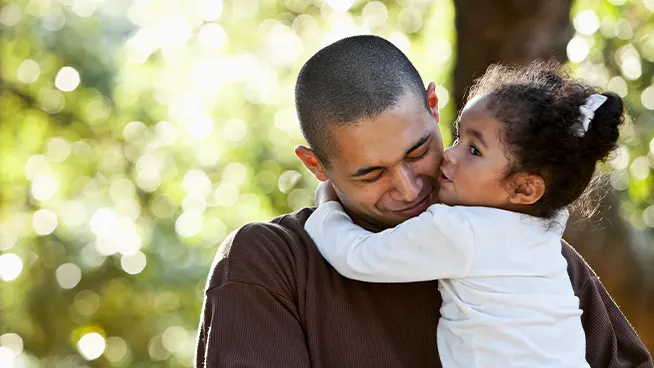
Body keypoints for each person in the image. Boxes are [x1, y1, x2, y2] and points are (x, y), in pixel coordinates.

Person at [195, 35, 652, 367]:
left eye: (418, 152)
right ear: (317, 167)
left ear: (434, 108)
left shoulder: (539, 257)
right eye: (371, 174)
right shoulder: (270, 264)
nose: (410, 188)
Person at [304, 61, 618, 367]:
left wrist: (327, 205)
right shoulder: (543, 232)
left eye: (473, 150)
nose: (450, 156)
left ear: (524, 189)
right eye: (458, 137)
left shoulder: (458, 230)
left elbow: (357, 256)